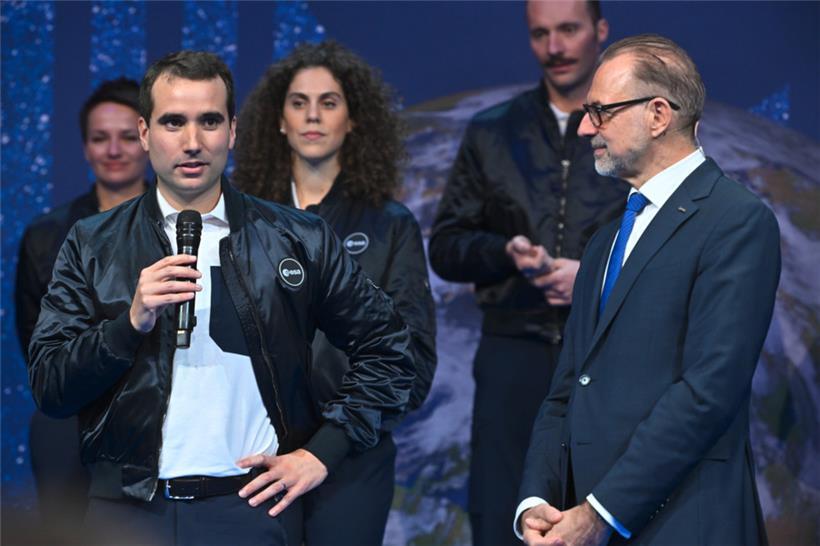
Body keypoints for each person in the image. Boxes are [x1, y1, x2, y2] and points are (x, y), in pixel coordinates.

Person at [28, 50, 415, 546]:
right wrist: (129, 324)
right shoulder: (93, 242)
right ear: (145, 133)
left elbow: (389, 349)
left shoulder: (298, 238)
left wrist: (323, 451)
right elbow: (50, 385)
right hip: (123, 513)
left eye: (209, 121)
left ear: (232, 131)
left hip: (249, 511)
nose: (192, 142)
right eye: (173, 122)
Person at [515, 34, 779, 546]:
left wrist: (600, 513)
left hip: (686, 523)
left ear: (658, 114)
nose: (586, 126)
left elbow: (708, 392)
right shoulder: (605, 240)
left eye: (601, 111)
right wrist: (537, 499)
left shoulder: (738, 223)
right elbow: (568, 386)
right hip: (580, 523)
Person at [427, 2, 628, 543]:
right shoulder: (493, 131)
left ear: (600, 31)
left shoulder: (632, 132)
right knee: (503, 515)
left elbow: (666, 238)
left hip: (607, 353)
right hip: (511, 356)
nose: (554, 47)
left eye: (568, 30)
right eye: (541, 34)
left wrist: (592, 275)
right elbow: (446, 247)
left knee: (603, 512)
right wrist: (506, 251)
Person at [233, 40, 437, 545]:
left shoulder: (390, 226)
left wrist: (333, 441)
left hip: (351, 456)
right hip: (253, 457)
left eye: (329, 102)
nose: (313, 116)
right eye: (298, 103)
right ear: (278, 120)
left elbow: (412, 361)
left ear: (354, 119)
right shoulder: (240, 222)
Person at [15, 77, 149, 542]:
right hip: (71, 413)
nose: (114, 149)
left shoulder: (187, 227)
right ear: (85, 148)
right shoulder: (46, 234)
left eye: (127, 136)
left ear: (149, 140)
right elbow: (38, 345)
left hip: (160, 412)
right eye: (99, 138)